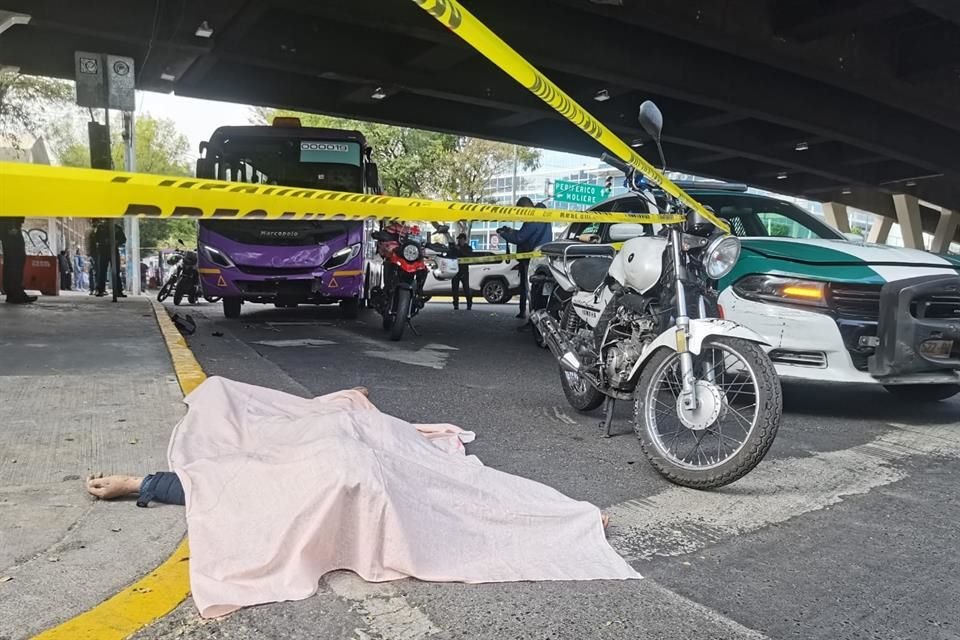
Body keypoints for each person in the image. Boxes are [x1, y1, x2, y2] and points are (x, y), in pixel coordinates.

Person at [497, 198, 553, 319]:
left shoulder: (533, 217)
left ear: (525, 208)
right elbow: (527, 233)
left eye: (521, 212)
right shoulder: (543, 214)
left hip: (532, 260)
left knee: (529, 290)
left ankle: (533, 321)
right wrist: (512, 231)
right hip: (543, 258)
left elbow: (520, 238)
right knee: (540, 290)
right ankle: (536, 318)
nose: (521, 217)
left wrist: (504, 234)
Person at [0, 217, 36, 304]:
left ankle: (11, 293)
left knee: (11, 260)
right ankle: (15, 293)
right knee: (16, 259)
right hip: (9, 224)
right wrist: (11, 226)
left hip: (7, 224)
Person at [94, 219, 127, 298]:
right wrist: (103, 241)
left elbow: (123, 239)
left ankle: (118, 290)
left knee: (116, 271)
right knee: (102, 272)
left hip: (113, 250)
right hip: (103, 251)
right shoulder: (101, 227)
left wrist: (116, 241)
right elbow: (96, 238)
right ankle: (101, 290)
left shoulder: (117, 228)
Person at [448, 232, 473, 311]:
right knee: (455, 289)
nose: (459, 241)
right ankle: (456, 305)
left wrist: (460, 250)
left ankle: (469, 304)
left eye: (461, 239)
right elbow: (449, 255)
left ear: (464, 240)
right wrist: (451, 248)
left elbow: (469, 256)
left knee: (466, 288)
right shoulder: (455, 248)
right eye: (458, 240)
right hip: (455, 271)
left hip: (464, 271)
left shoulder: (468, 248)